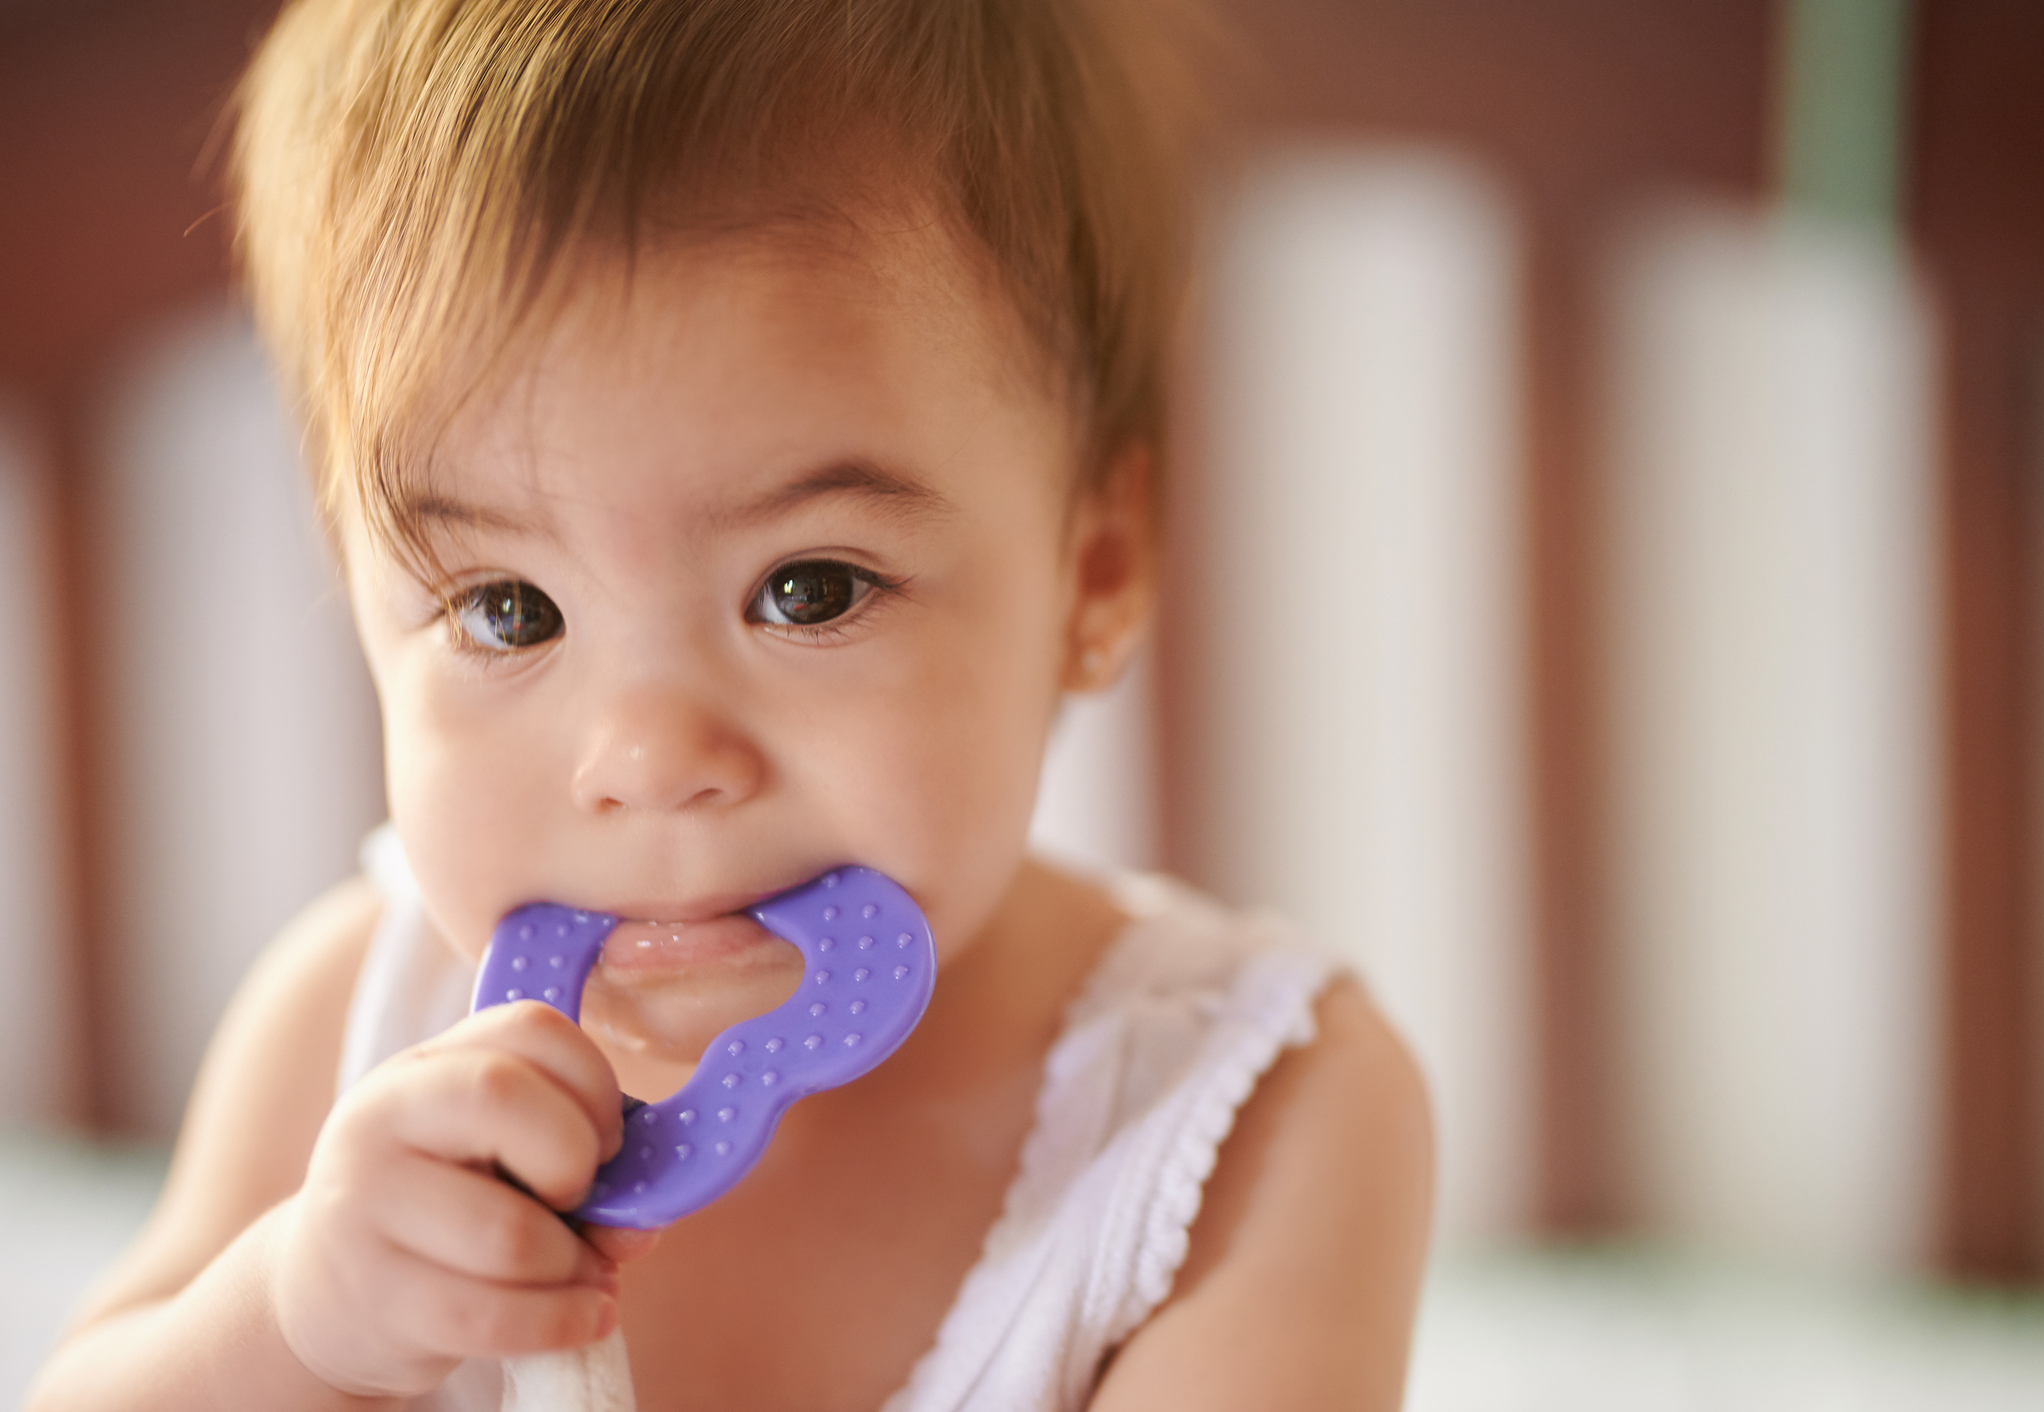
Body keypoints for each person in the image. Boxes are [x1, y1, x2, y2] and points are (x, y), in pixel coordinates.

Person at [28, 0, 1431, 1407]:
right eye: (506, 610)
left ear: (1095, 566)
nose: (646, 757)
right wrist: (289, 1327)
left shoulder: (1255, 1119)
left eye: (808, 588)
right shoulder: (352, 1021)